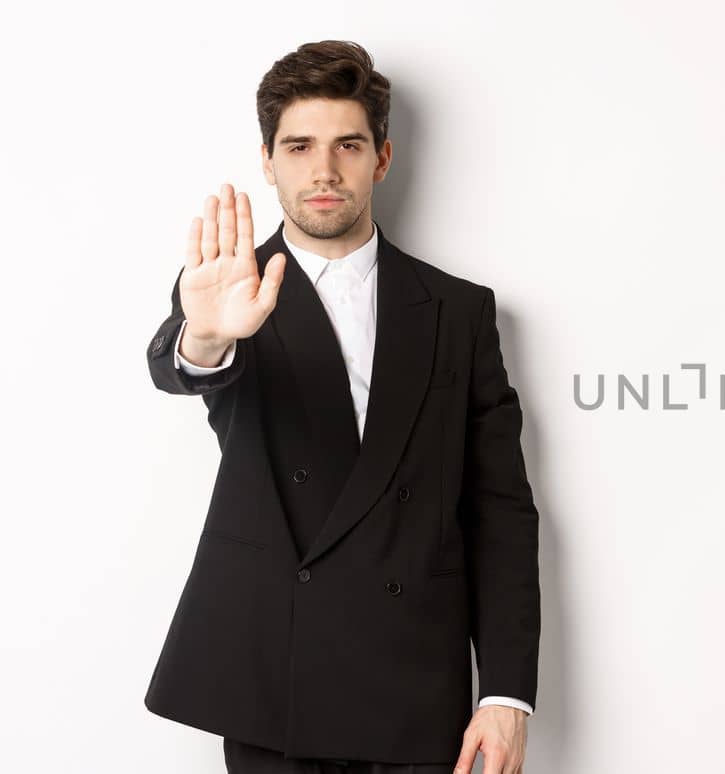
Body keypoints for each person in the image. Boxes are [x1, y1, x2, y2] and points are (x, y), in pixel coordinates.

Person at [142, 40, 538, 774]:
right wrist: (202, 335)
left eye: (347, 145)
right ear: (268, 161)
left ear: (381, 158)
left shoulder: (457, 310)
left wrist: (507, 695)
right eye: (299, 146)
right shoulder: (228, 291)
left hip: (415, 684)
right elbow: (185, 365)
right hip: (275, 680)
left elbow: (501, 510)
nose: (323, 171)